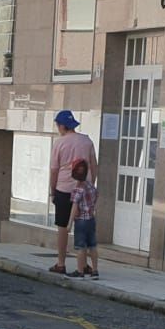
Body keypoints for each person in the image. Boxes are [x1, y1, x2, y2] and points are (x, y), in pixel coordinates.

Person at [48, 110, 97, 274]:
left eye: (57, 125)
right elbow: (94, 165)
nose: (57, 128)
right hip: (83, 189)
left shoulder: (59, 143)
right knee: (82, 227)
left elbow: (54, 170)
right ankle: (84, 265)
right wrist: (89, 185)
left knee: (62, 227)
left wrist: (52, 191)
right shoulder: (87, 141)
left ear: (62, 125)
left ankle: (61, 263)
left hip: (63, 189)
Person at [68, 159, 98, 278]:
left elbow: (74, 207)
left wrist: (69, 224)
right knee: (92, 246)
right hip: (91, 220)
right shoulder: (90, 185)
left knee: (80, 247)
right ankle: (95, 271)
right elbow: (96, 196)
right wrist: (92, 208)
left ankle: (80, 271)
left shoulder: (77, 190)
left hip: (81, 221)